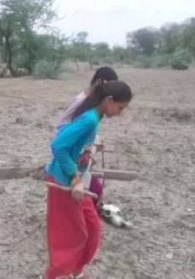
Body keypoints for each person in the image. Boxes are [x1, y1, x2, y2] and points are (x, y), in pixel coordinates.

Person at [45, 80, 133, 279]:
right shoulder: (89, 120)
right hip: (63, 181)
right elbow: (59, 146)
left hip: (78, 180)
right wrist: (75, 178)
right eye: (120, 107)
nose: (120, 113)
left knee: (93, 228)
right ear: (109, 100)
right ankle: (54, 275)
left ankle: (76, 270)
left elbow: (78, 146)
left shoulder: (96, 117)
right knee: (72, 236)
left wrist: (91, 150)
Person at [56, 66, 119, 209]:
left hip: (80, 149)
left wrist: (94, 143)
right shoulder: (83, 101)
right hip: (72, 150)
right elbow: (64, 126)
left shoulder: (93, 103)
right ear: (99, 83)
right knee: (84, 186)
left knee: (91, 183)